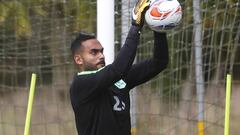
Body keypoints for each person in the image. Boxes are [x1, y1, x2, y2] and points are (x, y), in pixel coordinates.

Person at [69, 0, 169, 135]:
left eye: (101, 51)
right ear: (78, 59)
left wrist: (159, 27)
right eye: (94, 52)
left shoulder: (118, 78)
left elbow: (159, 62)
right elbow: (118, 69)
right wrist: (135, 26)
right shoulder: (81, 84)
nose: (101, 56)